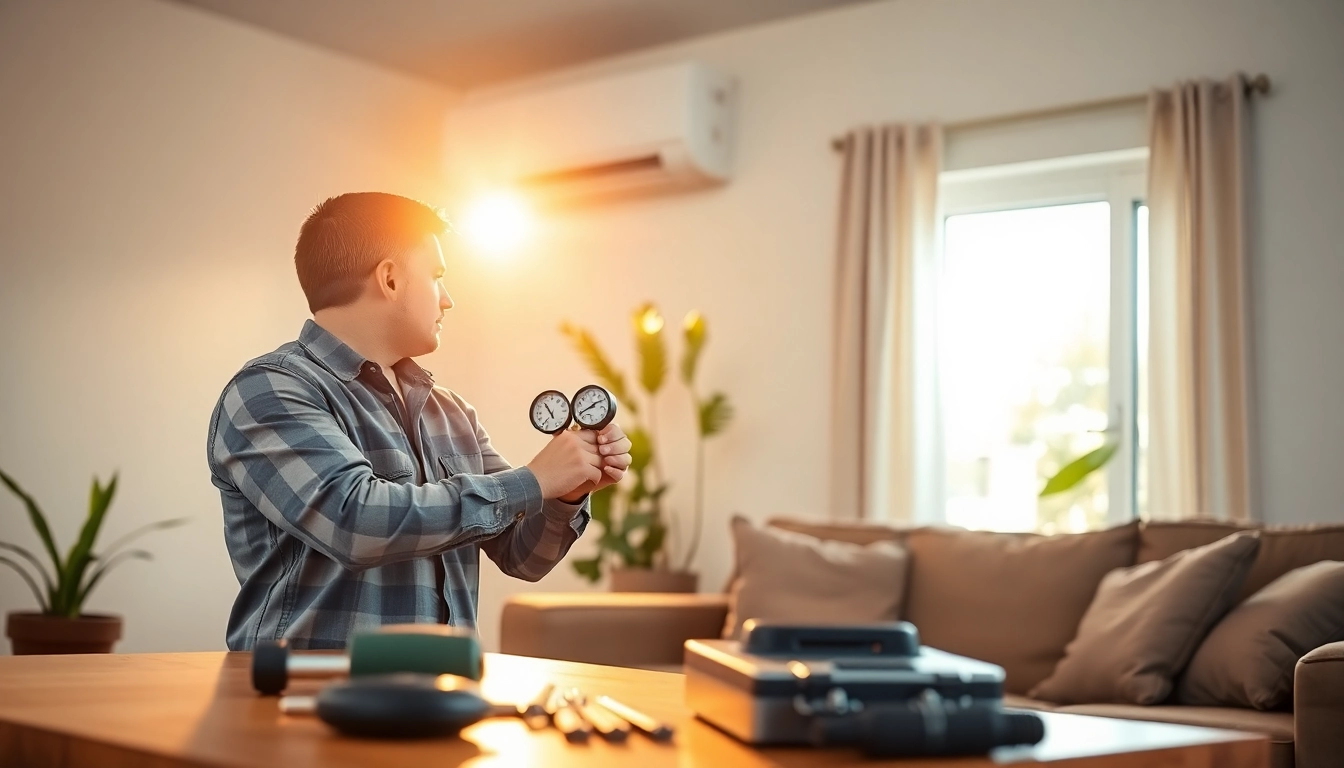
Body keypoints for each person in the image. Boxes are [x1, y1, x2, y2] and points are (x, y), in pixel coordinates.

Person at [207, 192, 630, 650]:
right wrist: (534, 480)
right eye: (436, 276)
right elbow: (355, 521)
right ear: (389, 278)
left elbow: (522, 556)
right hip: (306, 699)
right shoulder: (269, 391)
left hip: (442, 693)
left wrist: (564, 492)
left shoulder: (450, 412)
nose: (447, 300)